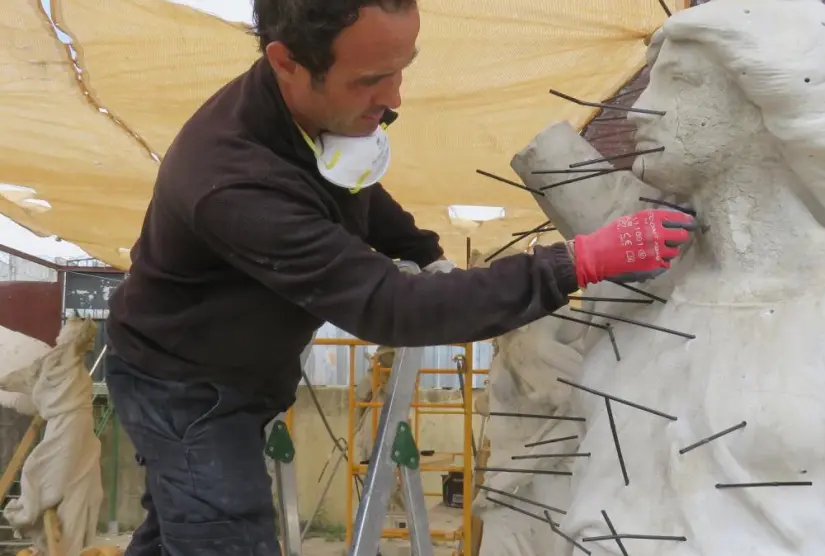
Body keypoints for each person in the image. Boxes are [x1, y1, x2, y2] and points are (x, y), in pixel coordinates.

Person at [102, 0, 694, 554]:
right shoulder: (234, 183)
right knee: (225, 533)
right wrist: (577, 262)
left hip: (237, 368)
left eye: (401, 69)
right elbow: (392, 308)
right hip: (183, 386)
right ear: (286, 63)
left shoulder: (305, 117)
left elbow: (349, 186)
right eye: (369, 80)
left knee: (180, 530)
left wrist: (425, 254)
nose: (393, 99)